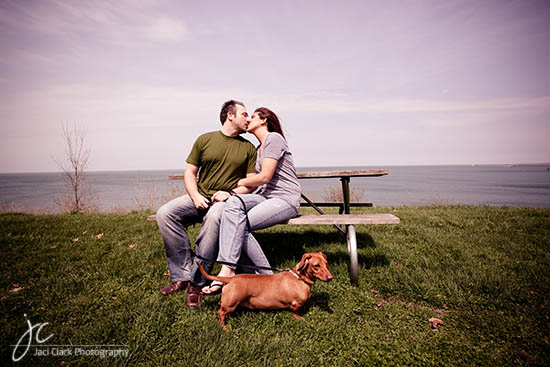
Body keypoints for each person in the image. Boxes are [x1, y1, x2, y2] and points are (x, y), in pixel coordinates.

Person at [156, 100, 257, 308]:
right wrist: (195, 197)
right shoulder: (205, 139)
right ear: (230, 115)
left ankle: (197, 281)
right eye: (244, 114)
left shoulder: (248, 148)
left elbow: (250, 185)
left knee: (213, 217)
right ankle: (181, 276)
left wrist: (229, 194)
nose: (248, 119)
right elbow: (190, 173)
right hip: (200, 196)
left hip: (226, 202)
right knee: (165, 213)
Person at [202, 107, 302, 295]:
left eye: (253, 117)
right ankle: (232, 270)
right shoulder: (259, 148)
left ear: (264, 121)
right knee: (232, 205)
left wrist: (242, 181)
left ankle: (265, 277)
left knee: (241, 224)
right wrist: (231, 193)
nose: (248, 120)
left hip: (285, 198)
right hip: (265, 196)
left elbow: (264, 177)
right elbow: (259, 185)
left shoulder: (274, 139)